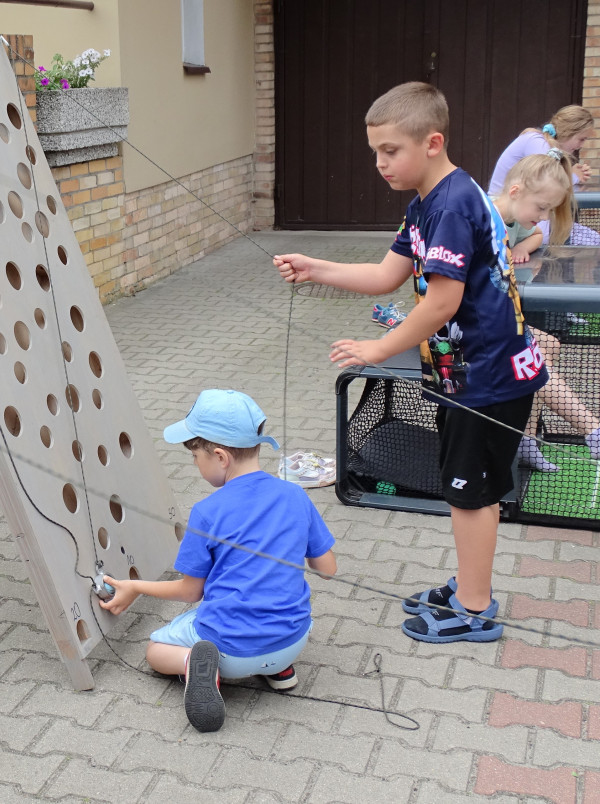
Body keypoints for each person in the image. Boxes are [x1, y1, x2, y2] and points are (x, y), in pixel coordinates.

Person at [273, 81, 550, 645]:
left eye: (389, 151)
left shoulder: (451, 204)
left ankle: (475, 609)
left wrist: (377, 349)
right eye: (374, 151)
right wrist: (315, 267)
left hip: (487, 377)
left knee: (471, 495)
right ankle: (471, 585)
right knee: (468, 492)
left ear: (432, 142)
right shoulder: (427, 202)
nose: (379, 163)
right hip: (465, 374)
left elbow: (442, 302)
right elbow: (386, 275)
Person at [99, 389, 337, 733]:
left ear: (221, 457)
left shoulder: (207, 512)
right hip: (293, 640)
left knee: (155, 650)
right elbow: (328, 570)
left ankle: (200, 666)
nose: (196, 465)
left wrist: (134, 586)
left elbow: (190, 592)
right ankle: (278, 670)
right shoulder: (295, 495)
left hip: (233, 656)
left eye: (196, 457)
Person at [491, 151, 600, 472]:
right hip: (465, 332)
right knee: (534, 351)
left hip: (493, 317)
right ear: (515, 192)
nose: (542, 218)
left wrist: (520, 247)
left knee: (548, 343)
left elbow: (536, 235)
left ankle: (525, 440)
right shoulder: (482, 218)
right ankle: (593, 431)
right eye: (540, 208)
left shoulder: (516, 220)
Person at [487, 105, 599, 246]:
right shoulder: (537, 143)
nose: (581, 145)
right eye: (581, 139)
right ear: (570, 131)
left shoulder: (541, 143)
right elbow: (548, 182)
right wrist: (574, 176)